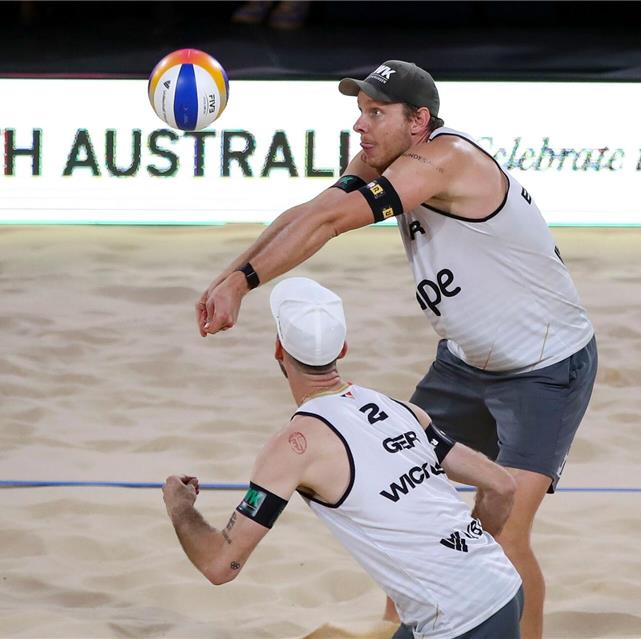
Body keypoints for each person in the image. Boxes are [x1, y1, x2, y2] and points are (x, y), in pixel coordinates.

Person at [195, 60, 598, 639]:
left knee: (504, 536)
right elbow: (308, 214)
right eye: (359, 112)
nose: (361, 126)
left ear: (419, 122)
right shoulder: (381, 159)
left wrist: (245, 283)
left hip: (545, 370)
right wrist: (229, 277)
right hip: (462, 362)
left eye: (376, 113)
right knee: (408, 521)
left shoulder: (446, 159)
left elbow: (332, 221)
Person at [165, 277, 523, 638]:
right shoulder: (400, 410)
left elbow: (219, 564)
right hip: (502, 586)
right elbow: (501, 486)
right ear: (344, 349)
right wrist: (466, 558)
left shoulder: (292, 446)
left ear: (278, 349)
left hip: (460, 623)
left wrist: (180, 507)